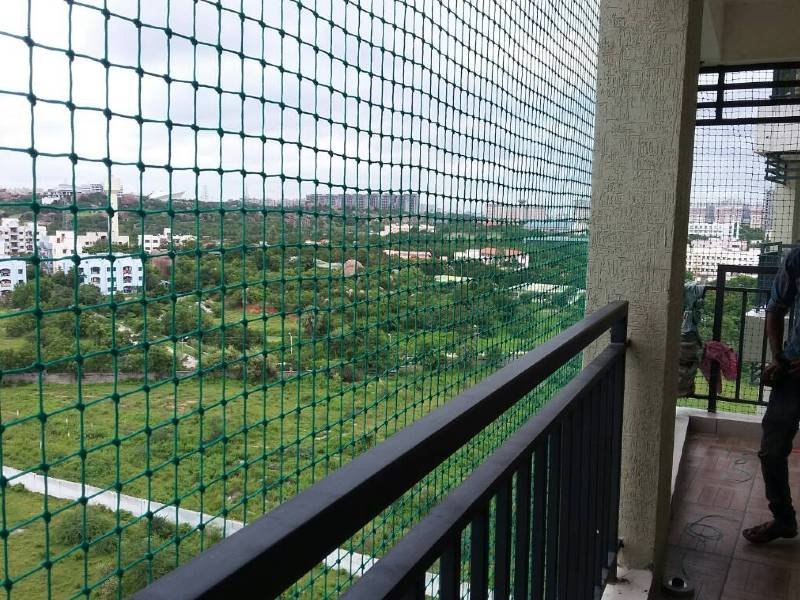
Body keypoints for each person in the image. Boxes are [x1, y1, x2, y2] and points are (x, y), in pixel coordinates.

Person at [743, 248, 800, 544]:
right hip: (792, 370)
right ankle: (783, 519)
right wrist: (778, 357)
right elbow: (775, 308)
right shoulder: (798, 257)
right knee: (772, 450)